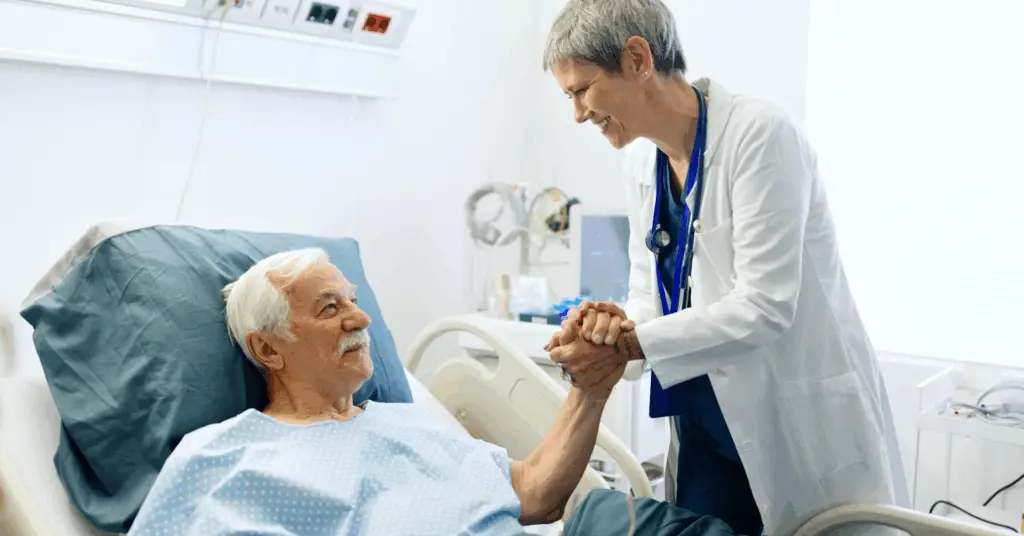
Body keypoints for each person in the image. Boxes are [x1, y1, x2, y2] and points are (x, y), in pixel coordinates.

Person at [540, 1, 910, 535]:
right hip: (705, 427)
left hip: (791, 423)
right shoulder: (642, 161)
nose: (578, 113)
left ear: (639, 57)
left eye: (582, 90)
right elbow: (649, 294)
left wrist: (630, 341)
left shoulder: (760, 136)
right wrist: (612, 325)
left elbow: (766, 305)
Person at [126, 248, 737, 536]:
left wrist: (590, 388)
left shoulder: (409, 424)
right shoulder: (222, 457)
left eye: (357, 304)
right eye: (329, 308)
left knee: (629, 519)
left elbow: (535, 495)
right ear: (268, 348)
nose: (360, 321)